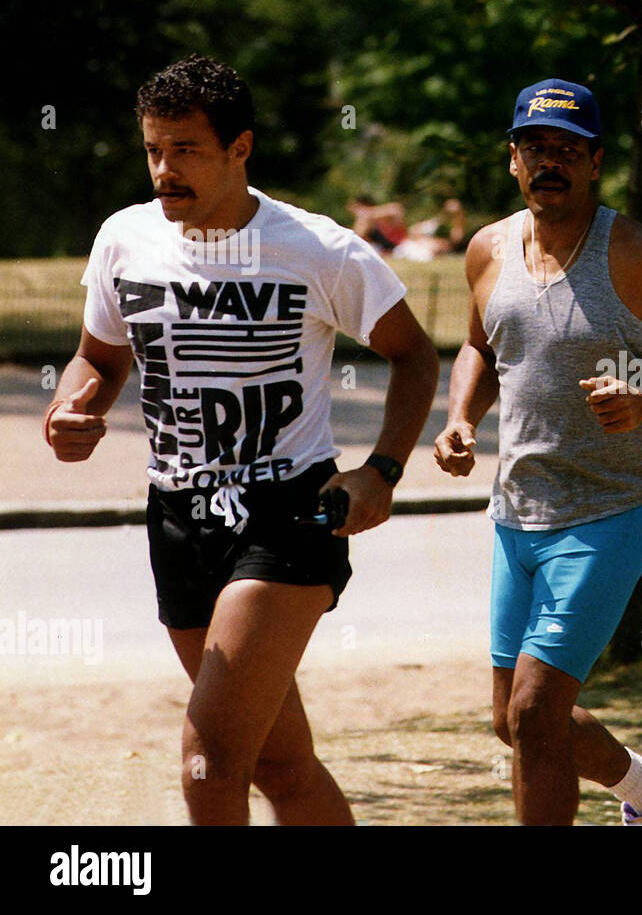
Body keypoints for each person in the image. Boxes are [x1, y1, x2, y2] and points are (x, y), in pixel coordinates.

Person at [43, 55, 438, 825]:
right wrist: (72, 410)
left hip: (289, 510)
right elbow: (99, 356)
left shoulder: (317, 248)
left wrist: (382, 470)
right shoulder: (124, 239)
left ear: (240, 148)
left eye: (186, 150)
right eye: (154, 150)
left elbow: (414, 353)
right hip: (178, 513)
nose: (164, 170)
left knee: (209, 760)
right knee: (281, 766)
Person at [432, 78, 642, 825]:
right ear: (513, 159)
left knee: (538, 712)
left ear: (596, 161)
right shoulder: (488, 249)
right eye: (535, 146)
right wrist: (459, 418)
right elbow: (479, 345)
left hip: (611, 506)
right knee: (513, 719)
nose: (550, 162)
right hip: (518, 506)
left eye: (567, 149)